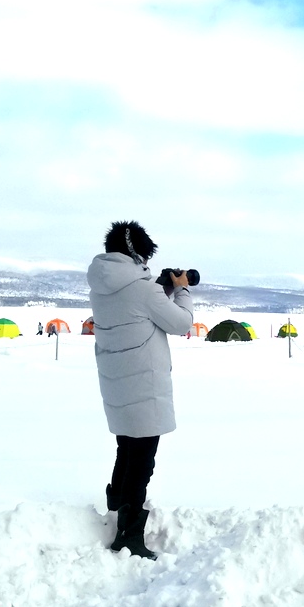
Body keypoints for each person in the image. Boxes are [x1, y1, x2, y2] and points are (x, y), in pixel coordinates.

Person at [87, 220, 195, 559]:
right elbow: (181, 323)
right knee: (141, 461)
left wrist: (159, 287)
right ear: (136, 254)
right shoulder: (143, 289)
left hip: (118, 385)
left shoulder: (102, 286)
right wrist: (182, 290)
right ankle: (129, 538)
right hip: (145, 386)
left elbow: (134, 311)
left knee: (126, 451)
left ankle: (115, 517)